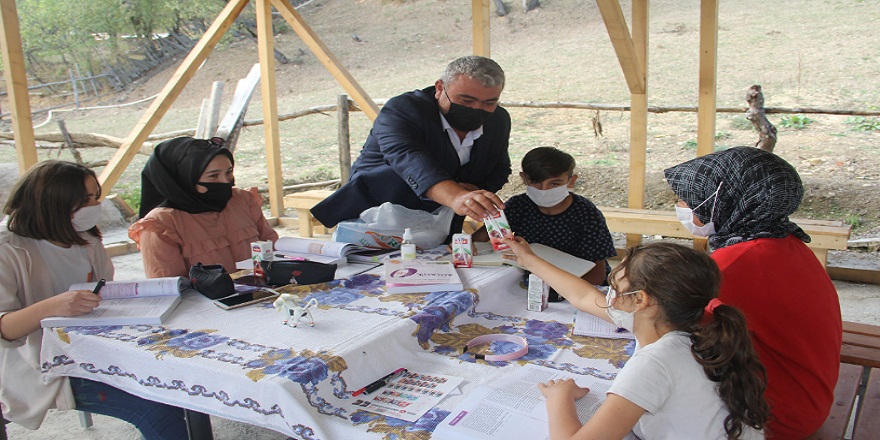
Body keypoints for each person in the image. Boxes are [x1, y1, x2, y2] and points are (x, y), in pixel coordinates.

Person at [503, 238, 770, 439]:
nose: (609, 295)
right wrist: (527, 259)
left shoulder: (656, 362)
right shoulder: (683, 325)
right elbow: (583, 296)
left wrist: (558, 397)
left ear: (640, 300)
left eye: (615, 288)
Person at [0, 160, 188, 439]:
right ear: (51, 202)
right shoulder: (9, 248)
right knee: (158, 407)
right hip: (43, 362)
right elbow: (5, 329)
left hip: (94, 344)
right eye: (84, 199)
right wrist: (52, 307)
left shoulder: (84, 236)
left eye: (95, 196)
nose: (93, 205)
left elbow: (103, 290)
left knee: (176, 377)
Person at [664, 146, 842, 438]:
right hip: (806, 400)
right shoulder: (785, 242)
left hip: (772, 417)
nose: (681, 205)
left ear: (726, 201)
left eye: (689, 199)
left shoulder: (732, 264)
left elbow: (666, 328)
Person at [310, 55, 512, 237]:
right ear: (440, 88)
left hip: (439, 228)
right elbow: (408, 158)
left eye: (489, 103)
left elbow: (499, 168)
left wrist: (473, 194)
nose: (477, 109)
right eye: (466, 100)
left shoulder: (498, 121)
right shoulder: (404, 110)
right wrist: (456, 195)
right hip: (373, 220)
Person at [129, 136, 279, 278]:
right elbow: (170, 285)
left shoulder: (242, 200)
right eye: (213, 176)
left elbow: (273, 246)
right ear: (184, 179)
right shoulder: (161, 224)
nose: (225, 182)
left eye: (229, 172)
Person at [474, 147, 616, 289]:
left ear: (571, 181)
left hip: (579, 284)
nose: (544, 190)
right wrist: (464, 245)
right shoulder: (519, 206)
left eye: (554, 183)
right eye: (536, 182)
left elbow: (597, 275)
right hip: (533, 280)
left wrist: (557, 287)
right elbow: (479, 238)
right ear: (524, 179)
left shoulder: (586, 214)